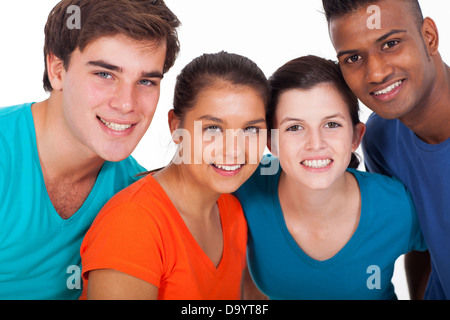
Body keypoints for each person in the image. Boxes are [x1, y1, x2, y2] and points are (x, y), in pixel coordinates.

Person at [0, 0, 180, 300]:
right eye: (105, 74)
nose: (127, 104)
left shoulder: (135, 194)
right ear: (57, 70)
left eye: (146, 81)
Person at [80, 51, 269, 300]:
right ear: (176, 127)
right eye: (213, 128)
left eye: (251, 129)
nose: (234, 150)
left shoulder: (233, 211)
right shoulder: (133, 223)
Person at [235, 55, 426, 300]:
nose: (316, 144)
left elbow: (435, 253)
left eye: (332, 124)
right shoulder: (246, 182)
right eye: (295, 127)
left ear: (356, 136)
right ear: (271, 142)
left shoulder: (398, 206)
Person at [322, 0, 450, 299]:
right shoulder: (380, 138)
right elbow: (419, 238)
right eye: (353, 58)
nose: (376, 73)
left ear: (429, 37)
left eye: (391, 43)